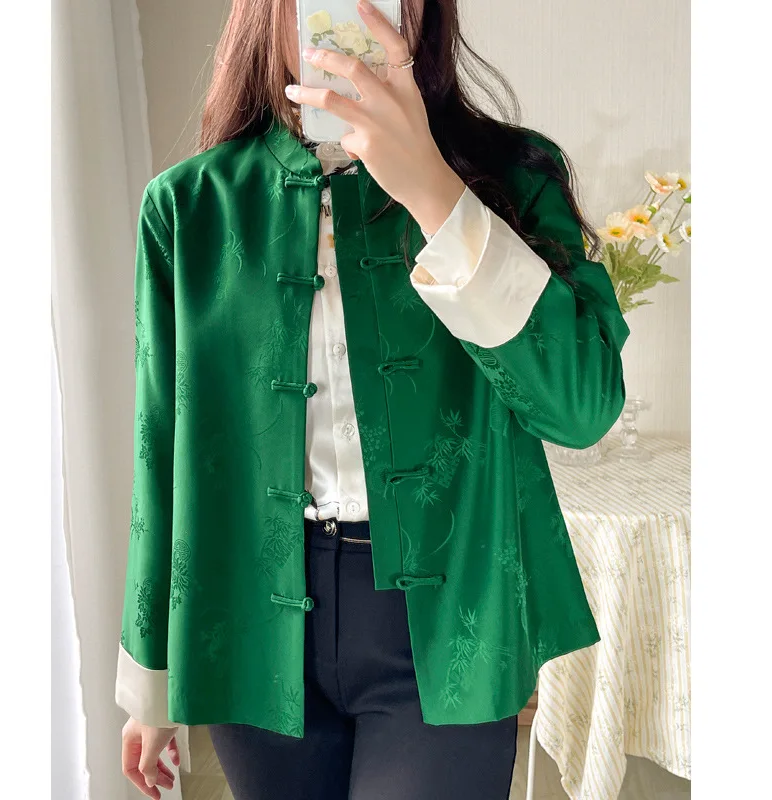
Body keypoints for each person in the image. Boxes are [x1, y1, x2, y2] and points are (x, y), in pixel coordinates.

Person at [116, 0, 630, 797]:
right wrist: (149, 686)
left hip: (446, 620)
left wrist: (434, 192)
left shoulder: (514, 177)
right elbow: (162, 452)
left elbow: (581, 406)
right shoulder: (189, 207)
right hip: (252, 621)